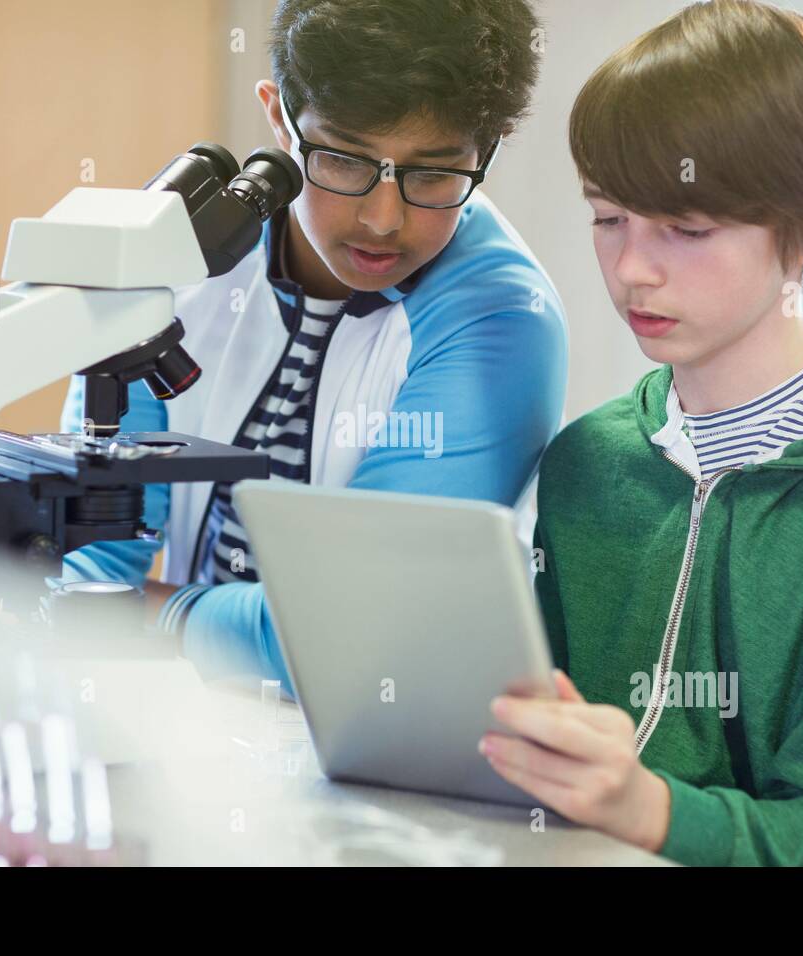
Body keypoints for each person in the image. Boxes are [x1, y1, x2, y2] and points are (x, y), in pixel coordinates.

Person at [481, 0, 803, 865]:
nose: (632, 269)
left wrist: (649, 809)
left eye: (687, 230)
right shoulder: (590, 462)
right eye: (608, 219)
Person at [57, 0, 567, 694]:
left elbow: (357, 631)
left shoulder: (502, 318)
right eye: (344, 159)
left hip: (380, 740)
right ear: (278, 115)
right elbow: (89, 555)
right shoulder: (178, 253)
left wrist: (154, 618)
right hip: (189, 711)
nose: (382, 218)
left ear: (494, 146)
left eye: (433, 173)